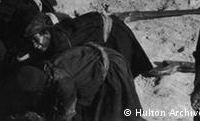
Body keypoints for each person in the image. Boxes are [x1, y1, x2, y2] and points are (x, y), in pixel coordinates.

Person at [14, 45, 143, 121]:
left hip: (112, 70)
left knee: (114, 114)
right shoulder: (45, 66)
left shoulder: (63, 83)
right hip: (98, 60)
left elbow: (68, 113)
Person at [23, 11, 153, 77]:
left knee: (124, 70)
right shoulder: (55, 32)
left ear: (45, 33)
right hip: (101, 25)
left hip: (114, 33)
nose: (36, 46)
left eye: (36, 40)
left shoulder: (62, 44)